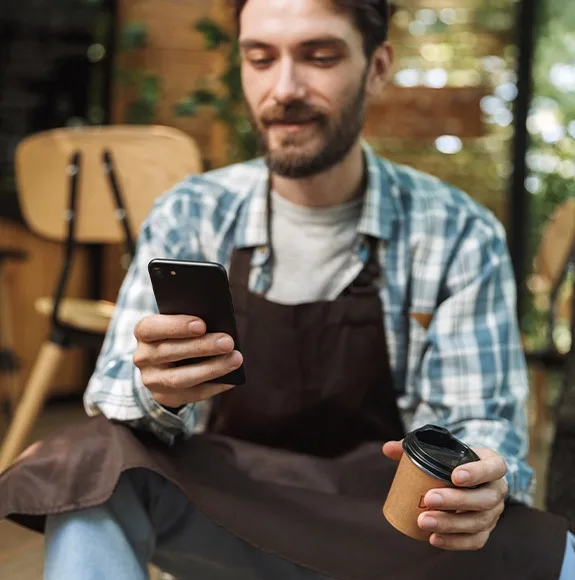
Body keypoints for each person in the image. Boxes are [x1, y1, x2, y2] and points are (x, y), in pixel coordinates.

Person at [0, 0, 573, 578]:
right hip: (230, 510)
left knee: (558, 554)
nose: (284, 88)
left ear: (377, 68)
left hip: (388, 529)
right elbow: (117, 402)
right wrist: (159, 390)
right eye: (259, 58)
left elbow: (478, 423)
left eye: (319, 57)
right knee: (91, 463)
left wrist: (475, 482)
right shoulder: (193, 213)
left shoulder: (457, 231)